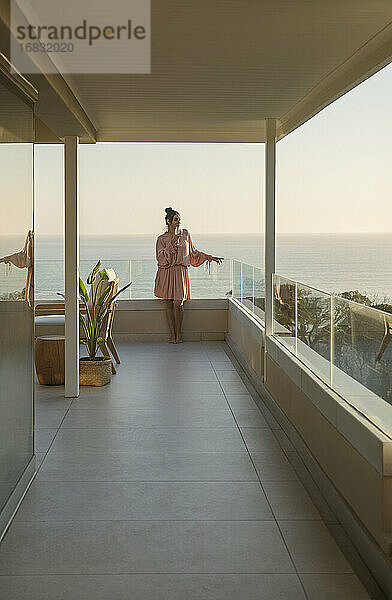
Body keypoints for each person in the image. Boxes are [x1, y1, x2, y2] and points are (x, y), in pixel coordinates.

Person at [154, 207, 223, 343]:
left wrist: (209, 257)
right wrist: (171, 243)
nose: (178, 222)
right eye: (175, 220)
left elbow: (193, 253)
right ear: (168, 221)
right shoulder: (161, 239)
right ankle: (172, 335)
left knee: (178, 303)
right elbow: (160, 257)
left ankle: (179, 334)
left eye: (179, 219)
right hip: (166, 272)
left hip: (180, 272)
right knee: (168, 303)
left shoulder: (186, 234)